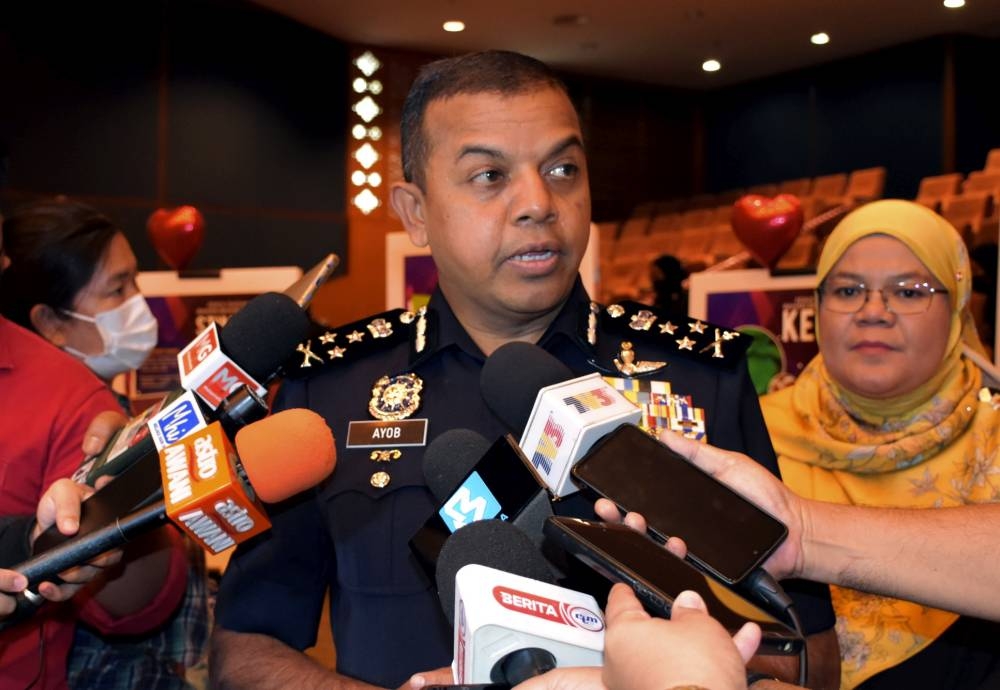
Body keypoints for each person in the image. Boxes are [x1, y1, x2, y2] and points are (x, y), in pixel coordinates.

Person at [210, 50, 837, 690]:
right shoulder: (329, 390)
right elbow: (246, 644)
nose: (538, 202)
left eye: (563, 168)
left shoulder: (703, 378)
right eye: (489, 175)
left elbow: (807, 652)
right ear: (415, 212)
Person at [755, 200, 1000, 689]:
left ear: (956, 306)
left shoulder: (992, 448)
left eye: (908, 291)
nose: (873, 312)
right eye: (848, 290)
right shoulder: (749, 435)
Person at [0, 198, 209, 689]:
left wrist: (125, 492)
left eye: (135, 281)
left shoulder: (83, 404)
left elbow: (137, 605)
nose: (138, 303)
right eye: (118, 289)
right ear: (49, 320)